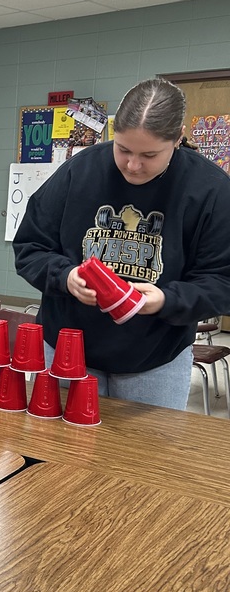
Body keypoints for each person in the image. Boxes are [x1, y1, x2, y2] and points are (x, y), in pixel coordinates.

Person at [13, 77, 230, 410]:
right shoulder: (79, 171)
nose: (133, 165)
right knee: (62, 454)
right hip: (68, 347)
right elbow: (30, 247)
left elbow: (221, 281)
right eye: (123, 149)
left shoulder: (211, 190)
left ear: (178, 137)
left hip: (155, 357)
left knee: (142, 459)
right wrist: (65, 277)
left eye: (149, 154)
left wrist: (166, 300)